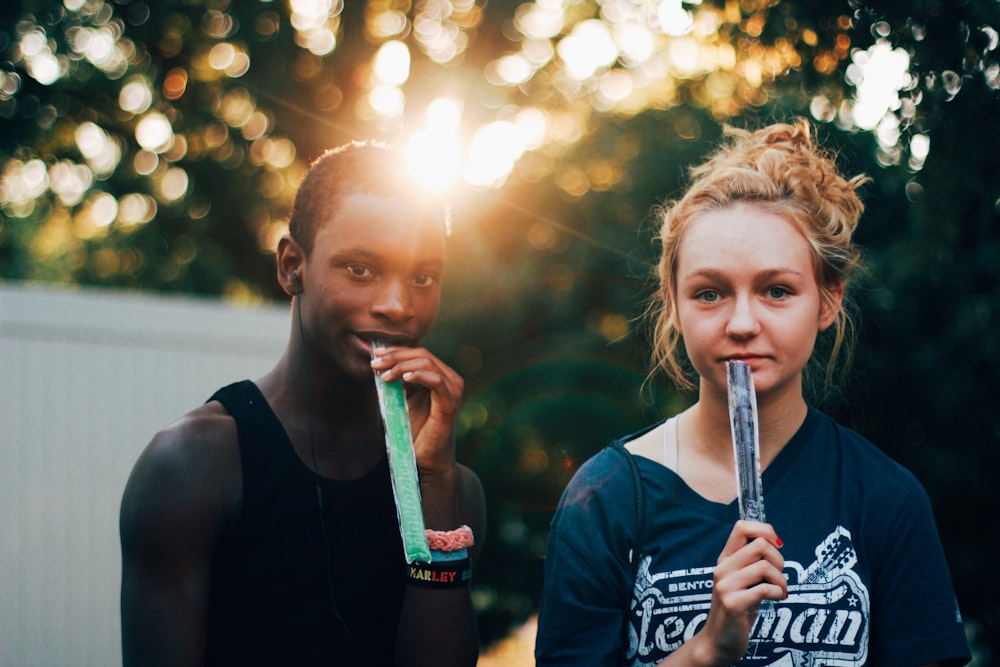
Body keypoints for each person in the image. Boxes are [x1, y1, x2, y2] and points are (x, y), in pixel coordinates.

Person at [534, 120, 970, 666]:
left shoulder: (885, 499)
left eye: (777, 291)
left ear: (828, 301)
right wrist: (705, 651)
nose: (742, 322)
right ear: (674, 306)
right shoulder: (606, 499)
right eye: (710, 293)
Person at [119, 141, 486, 667]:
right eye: (360, 269)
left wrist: (433, 482)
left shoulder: (454, 494)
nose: (397, 305)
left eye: (422, 278)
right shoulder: (195, 464)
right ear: (293, 266)